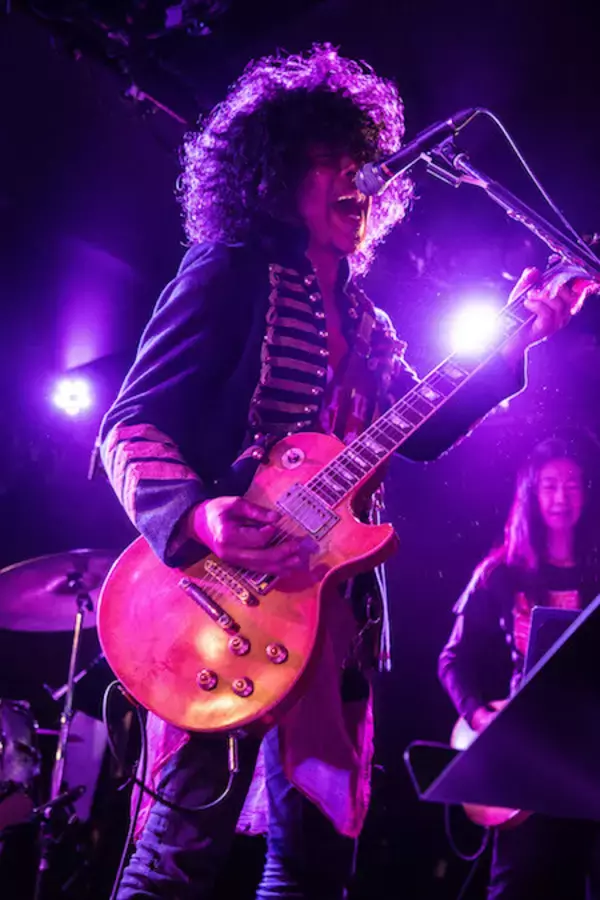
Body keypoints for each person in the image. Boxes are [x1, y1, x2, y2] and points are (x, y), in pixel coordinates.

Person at [99, 43, 589, 900]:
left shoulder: (369, 320)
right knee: (178, 855)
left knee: (314, 866)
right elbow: (130, 424)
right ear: (277, 173)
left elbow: (421, 433)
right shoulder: (230, 272)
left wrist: (522, 337)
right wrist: (198, 515)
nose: (359, 179)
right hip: (214, 598)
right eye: (332, 160)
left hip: (331, 613)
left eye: (365, 162)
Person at [439, 434, 600, 899]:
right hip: (527, 755)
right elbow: (453, 659)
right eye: (549, 485)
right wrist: (478, 716)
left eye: (572, 484)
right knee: (519, 883)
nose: (561, 497)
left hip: (590, 752)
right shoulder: (501, 572)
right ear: (531, 493)